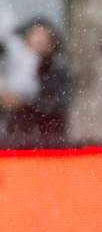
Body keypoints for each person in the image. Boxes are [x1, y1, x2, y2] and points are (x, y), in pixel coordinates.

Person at [1, 17, 71, 147]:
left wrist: (23, 103)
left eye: (44, 36)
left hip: (48, 140)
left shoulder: (56, 71)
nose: (39, 40)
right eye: (35, 35)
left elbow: (57, 103)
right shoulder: (13, 65)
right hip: (16, 138)